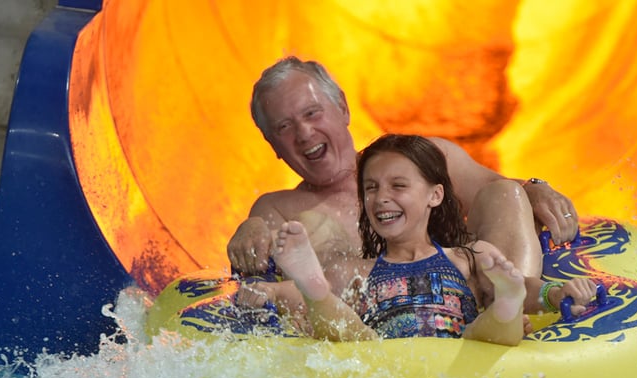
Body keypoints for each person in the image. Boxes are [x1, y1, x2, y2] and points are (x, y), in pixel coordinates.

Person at [227, 56, 579, 293]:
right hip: (381, 333)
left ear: (343, 109)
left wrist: (535, 187)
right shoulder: (279, 209)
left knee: (507, 194)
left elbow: (496, 189)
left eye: (312, 113)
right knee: (322, 247)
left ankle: (515, 309)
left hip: (472, 305)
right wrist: (251, 230)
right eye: (285, 127)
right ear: (272, 145)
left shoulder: (421, 157)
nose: (303, 133)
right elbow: (261, 256)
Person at [245, 134, 597, 345]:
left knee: (487, 327)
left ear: (435, 195)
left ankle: (506, 301)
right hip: (387, 359)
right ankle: (315, 290)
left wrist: (556, 294)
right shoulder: (358, 273)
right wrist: (268, 292)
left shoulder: (470, 259)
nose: (381, 198)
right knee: (353, 333)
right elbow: (287, 298)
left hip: (462, 351)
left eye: (398, 186)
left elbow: (531, 285)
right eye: (371, 188)